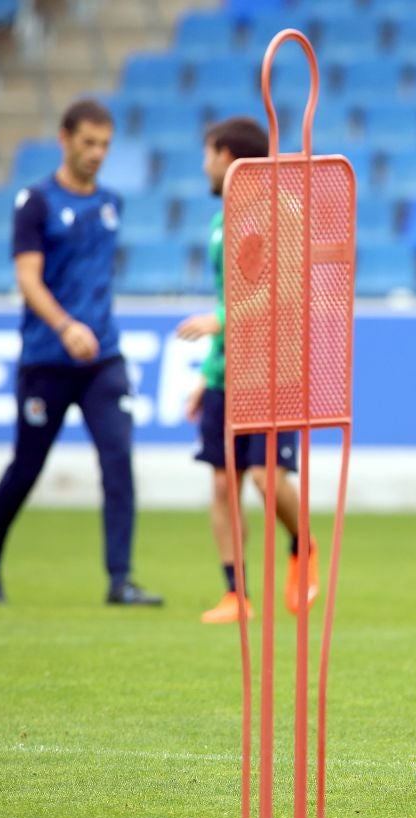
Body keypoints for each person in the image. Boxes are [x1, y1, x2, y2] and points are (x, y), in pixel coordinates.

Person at [0, 99, 162, 607]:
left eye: (105, 145)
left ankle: (120, 579)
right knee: (27, 466)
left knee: (118, 460)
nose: (97, 153)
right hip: (47, 358)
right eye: (88, 143)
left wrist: (89, 328)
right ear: (65, 139)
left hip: (103, 358)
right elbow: (28, 279)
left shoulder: (111, 204)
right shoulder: (35, 203)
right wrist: (64, 325)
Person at [174, 117, 317, 624]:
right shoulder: (223, 220)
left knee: (264, 478)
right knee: (222, 484)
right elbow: (230, 294)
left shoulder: (282, 211)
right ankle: (236, 593)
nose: (204, 166)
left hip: (274, 372)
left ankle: (303, 543)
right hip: (226, 374)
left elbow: (288, 289)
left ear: (226, 154)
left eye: (207, 155)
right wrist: (206, 374)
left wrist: (221, 320)